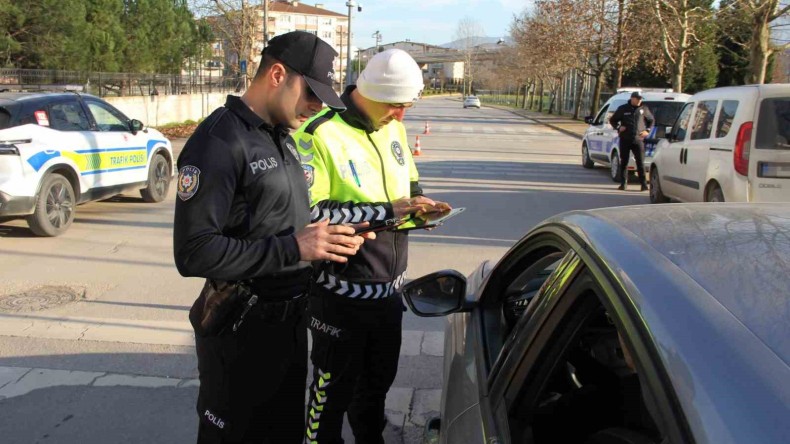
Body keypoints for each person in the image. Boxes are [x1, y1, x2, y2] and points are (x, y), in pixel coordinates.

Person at [173, 31, 367, 444]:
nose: (317, 106)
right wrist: (295, 247)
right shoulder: (219, 142)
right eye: (311, 93)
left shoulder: (281, 136)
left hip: (287, 327)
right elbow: (193, 251)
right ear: (277, 75)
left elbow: (278, 222)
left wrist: (328, 241)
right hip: (240, 332)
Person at [294, 49, 450, 443]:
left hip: (389, 293)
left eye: (407, 107)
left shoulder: (393, 128)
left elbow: (409, 188)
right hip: (339, 296)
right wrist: (388, 211)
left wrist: (421, 209)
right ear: (371, 93)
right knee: (329, 396)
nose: (401, 116)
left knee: (376, 387)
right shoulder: (318, 132)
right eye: (396, 106)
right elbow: (310, 212)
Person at [609, 91, 655, 191]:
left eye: (641, 99)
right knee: (624, 161)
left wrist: (647, 130)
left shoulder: (644, 109)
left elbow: (651, 120)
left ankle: (643, 185)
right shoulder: (623, 108)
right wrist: (618, 127)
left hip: (638, 139)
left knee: (640, 162)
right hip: (625, 139)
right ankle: (623, 183)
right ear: (632, 98)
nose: (639, 101)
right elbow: (613, 120)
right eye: (638, 99)